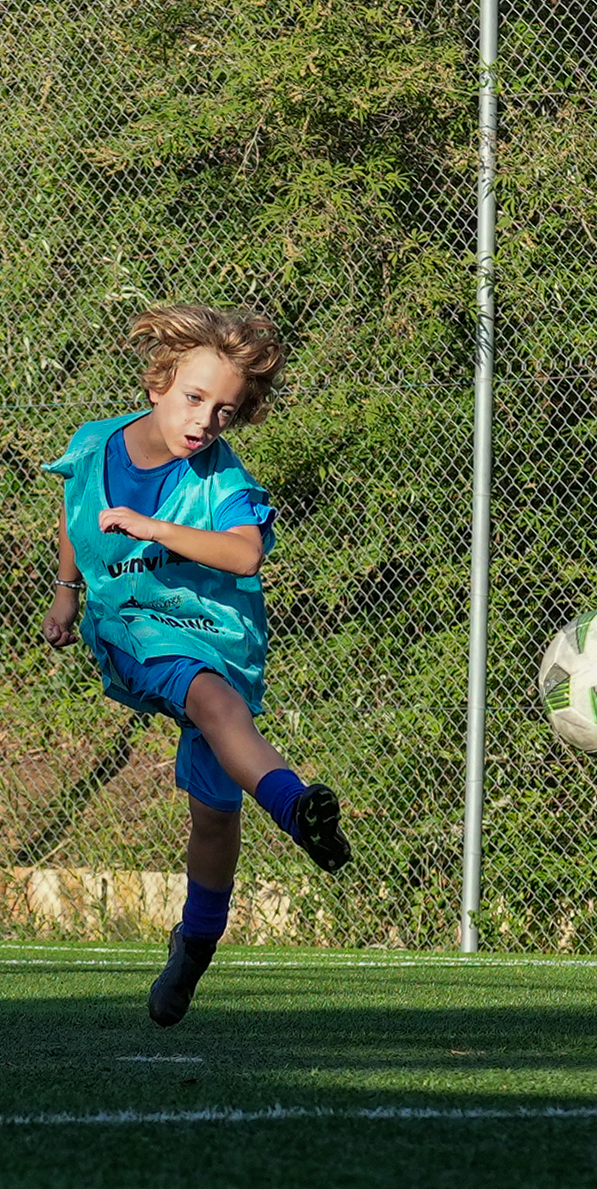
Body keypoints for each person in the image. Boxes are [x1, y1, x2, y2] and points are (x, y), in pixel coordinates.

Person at [41, 305, 352, 1028]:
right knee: (212, 701)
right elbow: (74, 505)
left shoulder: (221, 478)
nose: (206, 421)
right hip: (135, 627)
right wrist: (66, 592)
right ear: (159, 382)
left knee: (214, 814)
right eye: (194, 398)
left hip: (219, 635)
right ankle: (298, 809)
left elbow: (245, 553)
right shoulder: (95, 446)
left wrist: (155, 528)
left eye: (225, 411)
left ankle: (194, 947)